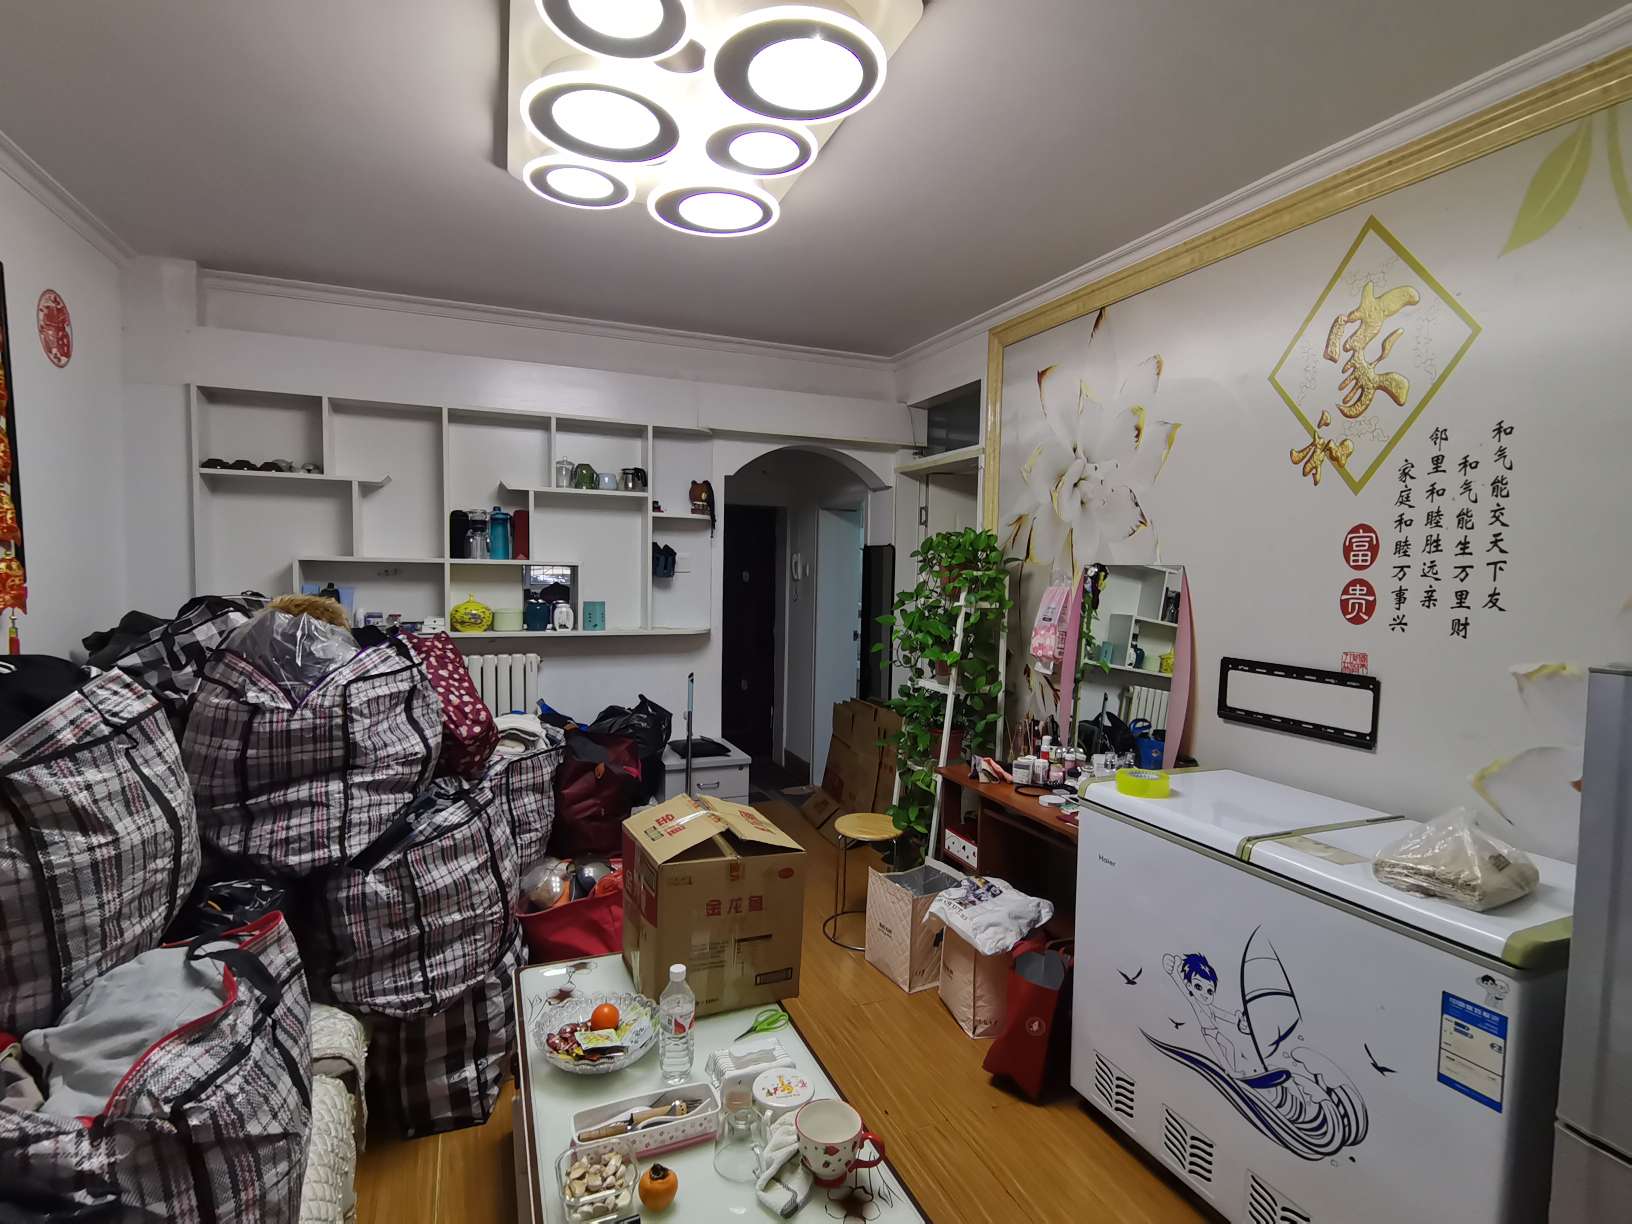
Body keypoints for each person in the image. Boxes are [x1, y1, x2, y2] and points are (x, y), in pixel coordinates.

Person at [1164, 952, 1251, 1073]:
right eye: (1198, 987)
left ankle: (1233, 1071)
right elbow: (1182, 988)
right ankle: (1230, 1072)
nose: (1205, 995)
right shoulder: (1195, 1001)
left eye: (1210, 991)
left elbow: (1223, 1015)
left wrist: (1237, 1020)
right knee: (1220, 1056)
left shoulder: (1210, 1007)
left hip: (1215, 1031)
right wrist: (1174, 973)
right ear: (1189, 986)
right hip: (1208, 1033)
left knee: (1230, 1046)